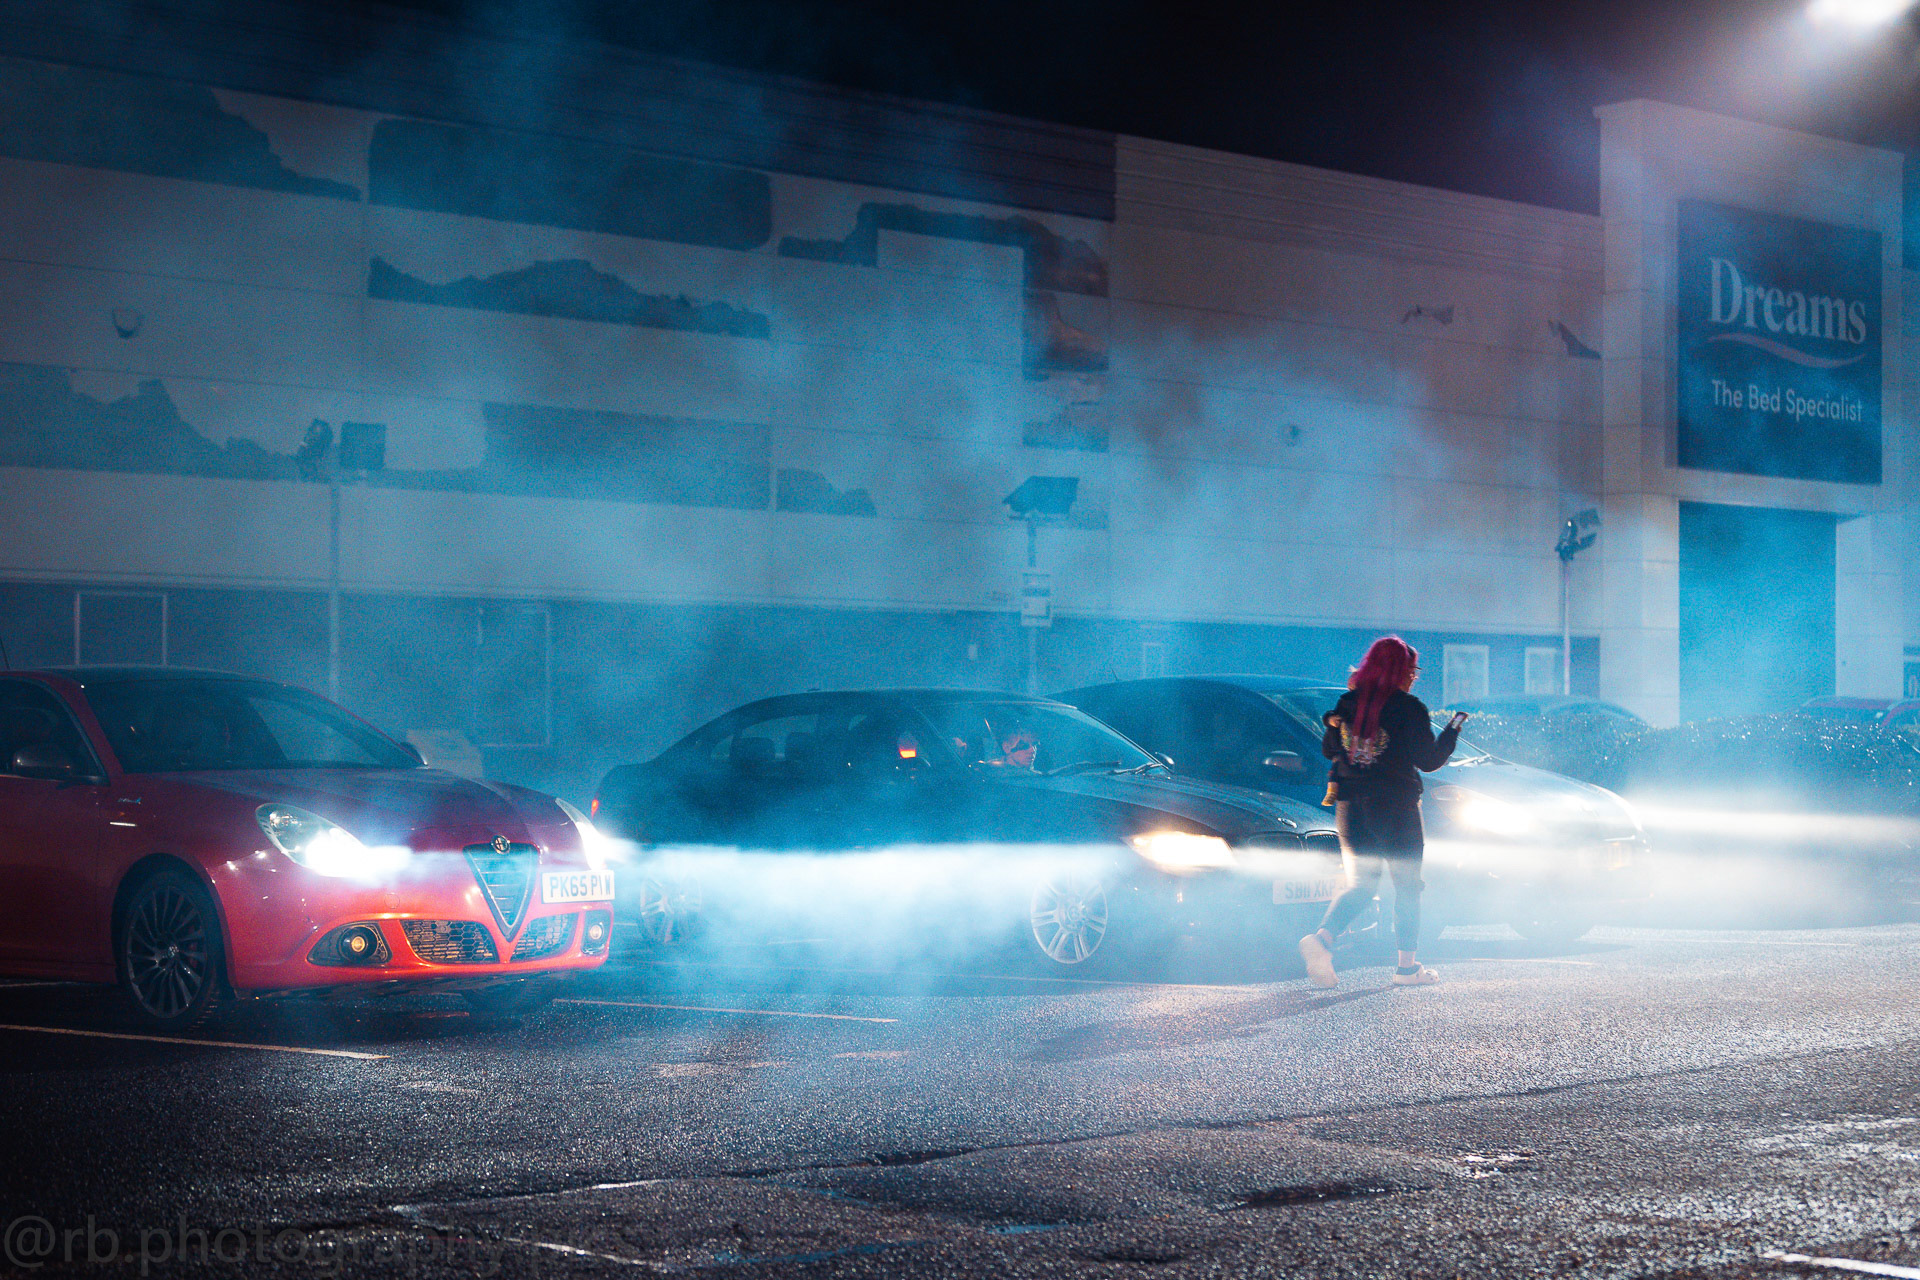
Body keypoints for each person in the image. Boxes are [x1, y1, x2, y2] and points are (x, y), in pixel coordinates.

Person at [1299, 636, 1463, 989]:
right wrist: (1451, 733)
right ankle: (1407, 969)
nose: (1415, 676)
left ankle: (1322, 940)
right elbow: (1429, 761)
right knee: (1407, 886)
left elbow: (1329, 749)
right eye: (1411, 669)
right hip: (1395, 808)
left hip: (1350, 807)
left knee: (1362, 884)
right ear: (1401, 670)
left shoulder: (1347, 703)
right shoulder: (1408, 708)